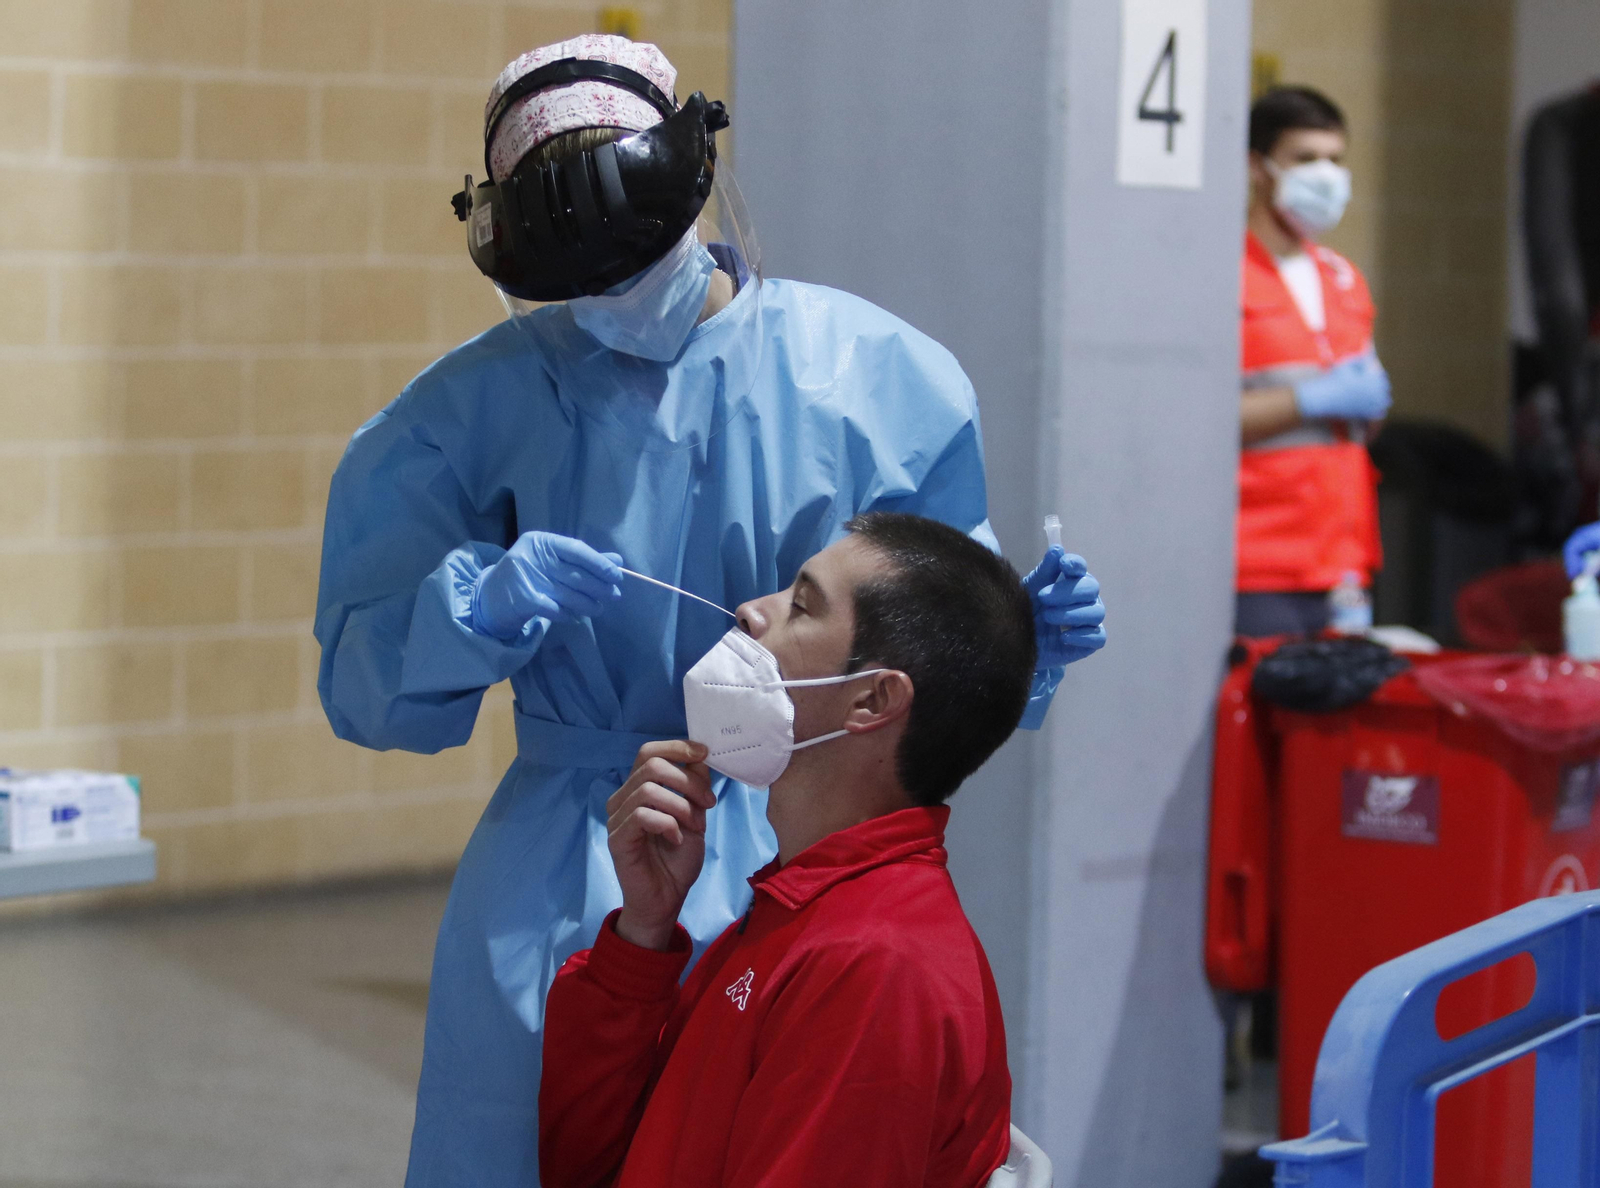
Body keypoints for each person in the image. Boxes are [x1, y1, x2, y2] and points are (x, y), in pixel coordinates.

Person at [313, 35, 1106, 1187]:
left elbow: (922, 665)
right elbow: (364, 685)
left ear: (688, 179)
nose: (618, 291)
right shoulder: (468, 409)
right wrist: (473, 610)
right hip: (570, 861)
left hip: (808, 852)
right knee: (533, 1137)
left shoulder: (874, 377)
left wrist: (1014, 647)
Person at [539, 512, 1026, 1186]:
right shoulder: (804, 909)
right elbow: (589, 1167)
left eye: (799, 606)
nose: (749, 612)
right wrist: (643, 935)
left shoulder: (877, 966)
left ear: (872, 698)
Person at [1235, 86, 1390, 638]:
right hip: (1257, 557)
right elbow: (1196, 418)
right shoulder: (1224, 273)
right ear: (1259, 166)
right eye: (1306, 159)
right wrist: (1308, 399)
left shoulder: (1343, 279)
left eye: (1335, 159)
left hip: (1341, 558)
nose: (1325, 175)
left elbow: (1361, 421)